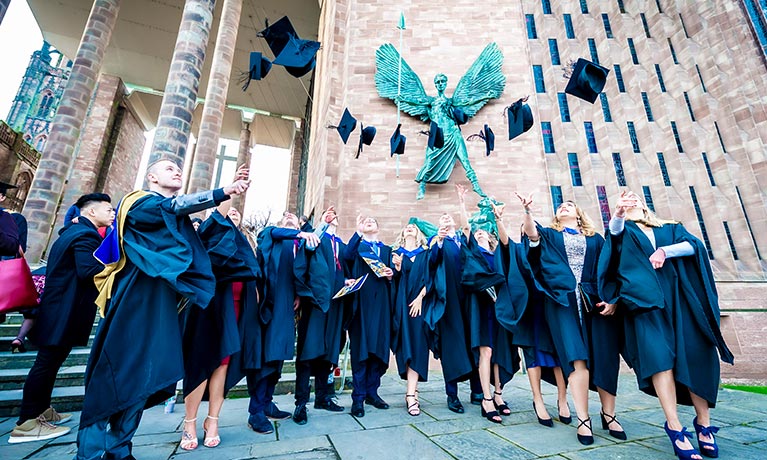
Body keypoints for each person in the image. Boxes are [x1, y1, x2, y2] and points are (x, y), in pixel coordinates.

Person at [75, 158, 249, 460]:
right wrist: (222, 190)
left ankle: (120, 448)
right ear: (151, 177)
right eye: (169, 168)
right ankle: (89, 454)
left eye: (178, 168)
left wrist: (230, 194)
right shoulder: (140, 204)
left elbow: (205, 232)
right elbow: (171, 208)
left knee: (144, 377)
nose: (177, 171)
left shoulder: (173, 217)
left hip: (159, 308)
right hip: (135, 304)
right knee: (114, 374)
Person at [598, 191, 734, 460]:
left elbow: (694, 246)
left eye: (635, 197)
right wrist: (618, 215)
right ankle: (674, 426)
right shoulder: (622, 229)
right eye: (626, 198)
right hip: (644, 304)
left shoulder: (670, 227)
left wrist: (664, 251)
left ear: (645, 204)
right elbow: (613, 242)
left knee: (694, 356)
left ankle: (703, 424)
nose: (632, 199)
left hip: (679, 300)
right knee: (660, 361)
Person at [8, 193, 114, 444]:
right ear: (90, 212)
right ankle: (26, 423)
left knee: (51, 364)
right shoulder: (85, 235)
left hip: (59, 308)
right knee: (45, 365)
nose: (112, 213)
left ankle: (41, 411)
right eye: (108, 209)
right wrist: (118, 267)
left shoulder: (72, 232)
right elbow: (89, 270)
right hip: (63, 311)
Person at [518, 194, 615, 445]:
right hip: (561, 301)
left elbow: (607, 270)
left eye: (569, 205)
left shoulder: (595, 239)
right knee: (575, 356)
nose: (564, 207)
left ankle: (609, 414)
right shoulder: (549, 235)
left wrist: (612, 299)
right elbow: (531, 235)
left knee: (603, 356)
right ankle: (584, 419)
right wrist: (528, 211)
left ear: (579, 213)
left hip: (593, 301)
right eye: (560, 206)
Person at [180, 171, 260, 450]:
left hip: (233, 313)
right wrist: (231, 192)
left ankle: (212, 420)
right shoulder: (207, 238)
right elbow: (216, 220)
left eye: (238, 216)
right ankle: (189, 421)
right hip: (206, 309)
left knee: (222, 367)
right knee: (200, 363)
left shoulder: (242, 247)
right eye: (229, 215)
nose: (233, 216)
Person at [248, 211, 319, 434]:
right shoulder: (271, 235)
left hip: (287, 309)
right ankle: (256, 412)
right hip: (268, 309)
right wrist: (299, 232)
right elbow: (274, 233)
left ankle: (267, 402)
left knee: (277, 360)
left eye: (294, 217)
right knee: (266, 359)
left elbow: (299, 274)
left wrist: (298, 294)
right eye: (285, 216)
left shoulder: (297, 247)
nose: (289, 216)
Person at [292, 206, 348, 424]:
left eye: (335, 218)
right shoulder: (319, 238)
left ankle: (323, 397)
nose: (333, 219)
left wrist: (347, 281)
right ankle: (300, 403)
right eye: (328, 218)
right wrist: (322, 224)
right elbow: (308, 247)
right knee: (308, 353)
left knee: (328, 353)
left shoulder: (339, 246)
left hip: (335, 305)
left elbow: (342, 271)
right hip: (315, 304)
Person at [423, 206, 475, 414]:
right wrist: (440, 240)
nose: (445, 218)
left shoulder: (463, 240)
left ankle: (477, 390)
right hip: (449, 299)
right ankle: (452, 394)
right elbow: (433, 261)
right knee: (452, 346)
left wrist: (462, 202)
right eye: (441, 217)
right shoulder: (436, 241)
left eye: (448, 216)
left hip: (469, 297)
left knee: (474, 342)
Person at [344, 215, 394, 417]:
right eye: (366, 222)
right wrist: (358, 231)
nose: (369, 222)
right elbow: (347, 256)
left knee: (378, 351)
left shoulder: (387, 251)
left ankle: (372, 392)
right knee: (361, 351)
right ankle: (358, 398)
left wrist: (392, 275)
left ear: (379, 227)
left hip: (382, 305)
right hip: (361, 306)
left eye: (373, 220)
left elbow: (396, 277)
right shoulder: (357, 247)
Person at [391, 223, 430, 416]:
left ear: (418, 233)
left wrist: (420, 298)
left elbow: (430, 278)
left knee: (417, 346)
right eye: (406, 226)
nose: (409, 228)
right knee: (405, 346)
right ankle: (412, 389)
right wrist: (397, 268)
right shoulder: (396, 253)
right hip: (402, 305)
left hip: (419, 305)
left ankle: (410, 395)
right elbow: (393, 280)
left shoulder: (425, 253)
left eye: (413, 227)